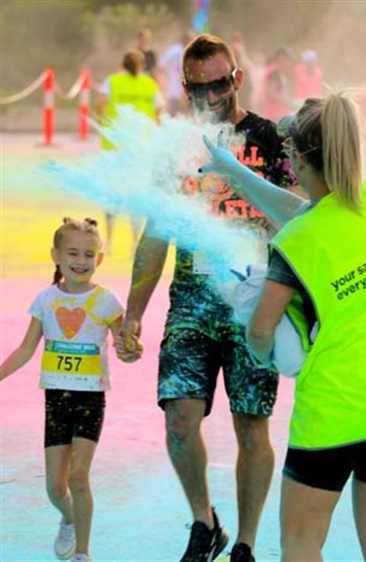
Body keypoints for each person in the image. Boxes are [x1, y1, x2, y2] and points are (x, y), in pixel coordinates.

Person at [114, 33, 295, 562]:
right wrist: (133, 312)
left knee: (250, 424)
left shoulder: (269, 138)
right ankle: (204, 523)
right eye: (196, 88)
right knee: (178, 419)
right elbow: (156, 232)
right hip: (190, 301)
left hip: (252, 303)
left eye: (217, 84)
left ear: (236, 78)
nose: (208, 97)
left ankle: (245, 542)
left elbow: (298, 218)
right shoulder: (177, 148)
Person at [200, 93, 366, 562]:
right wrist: (234, 172)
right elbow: (306, 214)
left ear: (296, 159)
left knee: (300, 546)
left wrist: (261, 354)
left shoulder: (295, 241)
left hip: (330, 416)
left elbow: (260, 331)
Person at [0, 217, 125, 562]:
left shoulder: (106, 301)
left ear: (99, 259)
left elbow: (124, 345)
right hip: (55, 400)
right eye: (73, 252)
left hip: (90, 399)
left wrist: (131, 347)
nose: (81, 261)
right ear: (56, 255)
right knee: (56, 487)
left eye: (89, 254)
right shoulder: (45, 300)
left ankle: (82, 554)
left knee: (79, 476)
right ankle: (68, 517)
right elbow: (26, 349)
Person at [95, 50, 164, 255]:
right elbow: (160, 108)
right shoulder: (149, 84)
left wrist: (103, 122)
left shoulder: (113, 81)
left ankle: (108, 241)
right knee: (136, 194)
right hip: (140, 148)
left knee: (112, 193)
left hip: (114, 147)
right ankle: (135, 242)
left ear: (123, 65)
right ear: (142, 66)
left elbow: (100, 104)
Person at [262, 46, 296, 122]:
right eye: (287, 60)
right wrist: (286, 101)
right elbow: (269, 93)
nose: (288, 63)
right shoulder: (274, 75)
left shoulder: (282, 74)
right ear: (280, 60)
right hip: (274, 117)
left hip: (280, 115)